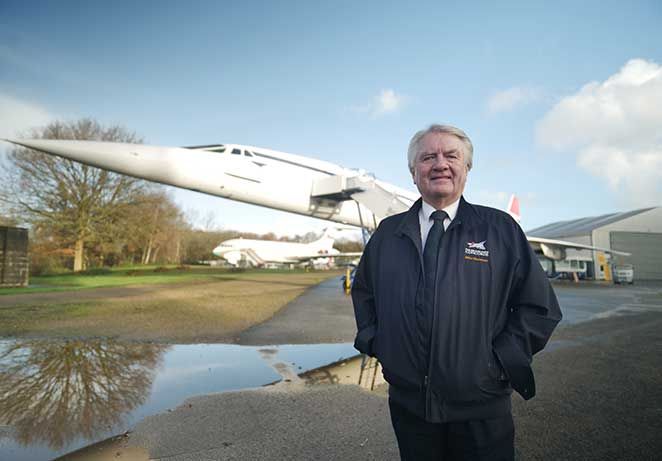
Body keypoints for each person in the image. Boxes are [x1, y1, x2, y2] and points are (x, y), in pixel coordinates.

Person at [351, 124, 562, 460]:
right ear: (413, 172)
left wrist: (498, 362)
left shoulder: (500, 230)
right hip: (410, 406)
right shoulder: (388, 234)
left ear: (466, 168)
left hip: (481, 406)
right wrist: (379, 344)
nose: (440, 164)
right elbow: (364, 294)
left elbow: (540, 308)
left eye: (451, 155)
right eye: (427, 157)